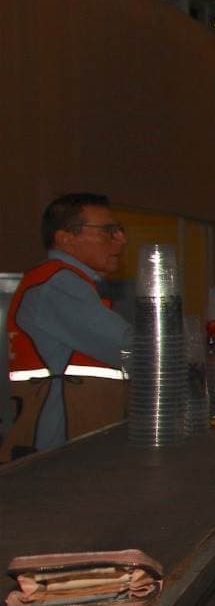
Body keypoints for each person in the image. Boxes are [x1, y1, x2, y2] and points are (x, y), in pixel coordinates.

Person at [3, 193, 133, 461]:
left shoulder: (72, 285)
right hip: (60, 450)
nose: (121, 239)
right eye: (108, 231)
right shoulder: (57, 285)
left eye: (119, 230)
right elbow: (129, 347)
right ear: (66, 238)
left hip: (75, 445)